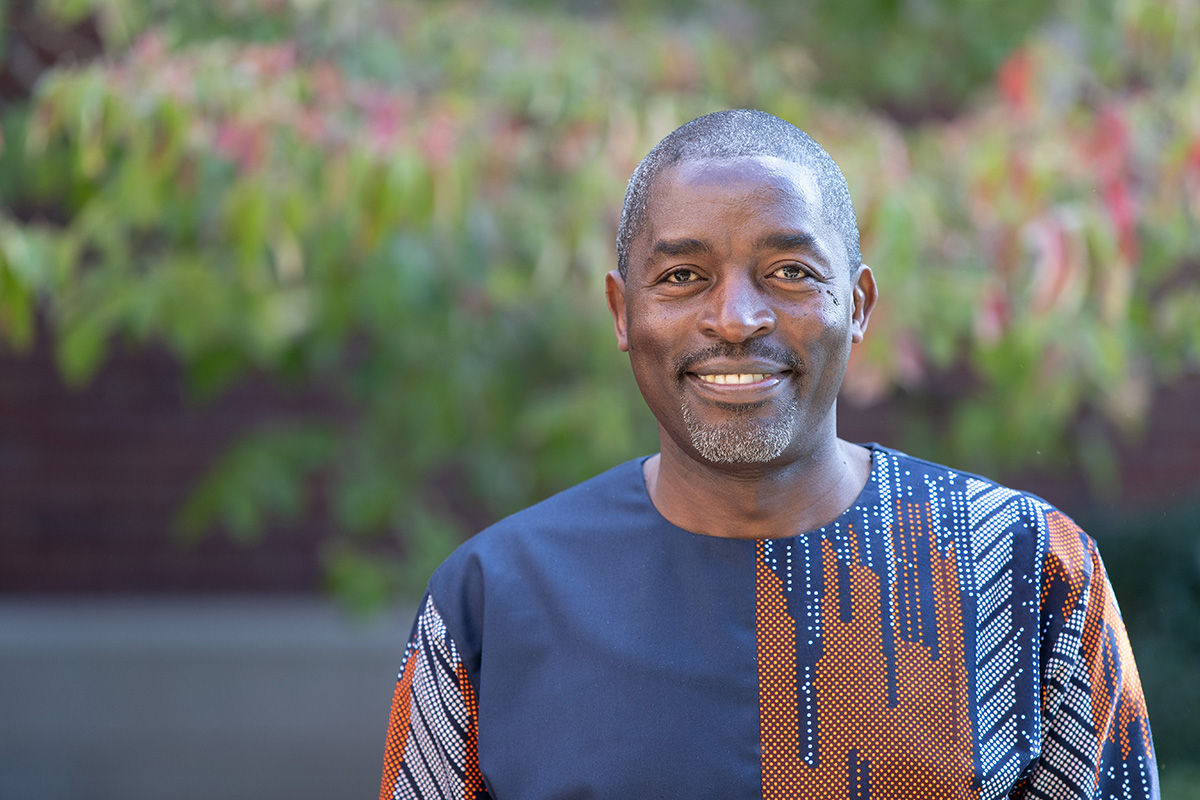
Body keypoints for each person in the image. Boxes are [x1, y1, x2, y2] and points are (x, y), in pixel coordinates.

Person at [378, 109, 1159, 800]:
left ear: (857, 305)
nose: (736, 318)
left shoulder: (1024, 568)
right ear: (622, 311)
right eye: (683, 276)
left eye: (790, 272)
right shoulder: (495, 598)